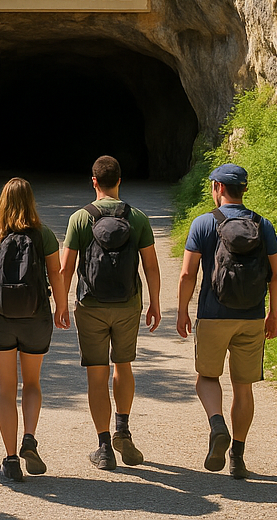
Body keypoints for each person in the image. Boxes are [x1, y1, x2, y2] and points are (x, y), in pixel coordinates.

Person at [176, 162, 277, 478]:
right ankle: (237, 456)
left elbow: (186, 273)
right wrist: (273, 313)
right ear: (244, 190)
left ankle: (216, 424)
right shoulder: (263, 225)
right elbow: (276, 275)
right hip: (251, 317)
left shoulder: (203, 224)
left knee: (207, 377)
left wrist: (182, 309)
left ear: (218, 188)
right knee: (243, 386)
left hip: (213, 315)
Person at [60, 155, 162, 470]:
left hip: (90, 305)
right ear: (120, 181)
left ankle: (104, 447)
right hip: (128, 304)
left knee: (96, 374)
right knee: (123, 366)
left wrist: (61, 303)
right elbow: (151, 265)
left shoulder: (80, 219)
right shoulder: (138, 218)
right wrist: (155, 302)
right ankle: (123, 428)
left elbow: (65, 268)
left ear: (94, 182)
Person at [0, 177, 70, 482]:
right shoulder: (44, 235)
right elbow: (56, 272)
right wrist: (62, 308)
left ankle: (11, 458)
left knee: (5, 388)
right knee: (33, 383)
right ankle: (29, 437)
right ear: (31, 201)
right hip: (36, 318)